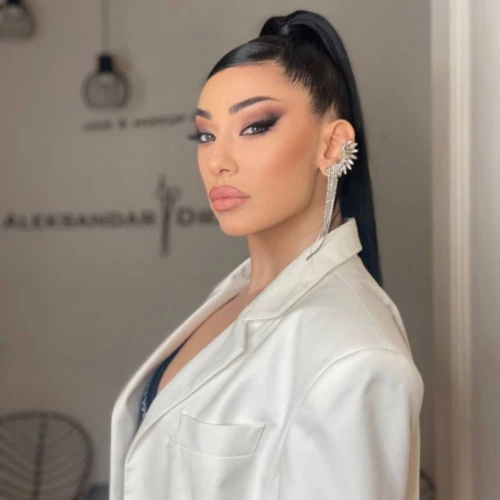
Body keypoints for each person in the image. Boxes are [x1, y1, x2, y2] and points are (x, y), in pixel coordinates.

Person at [109, 9, 424, 500]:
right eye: (206, 134)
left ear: (333, 144)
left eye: (254, 127)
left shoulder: (356, 359)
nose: (218, 160)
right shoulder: (238, 295)